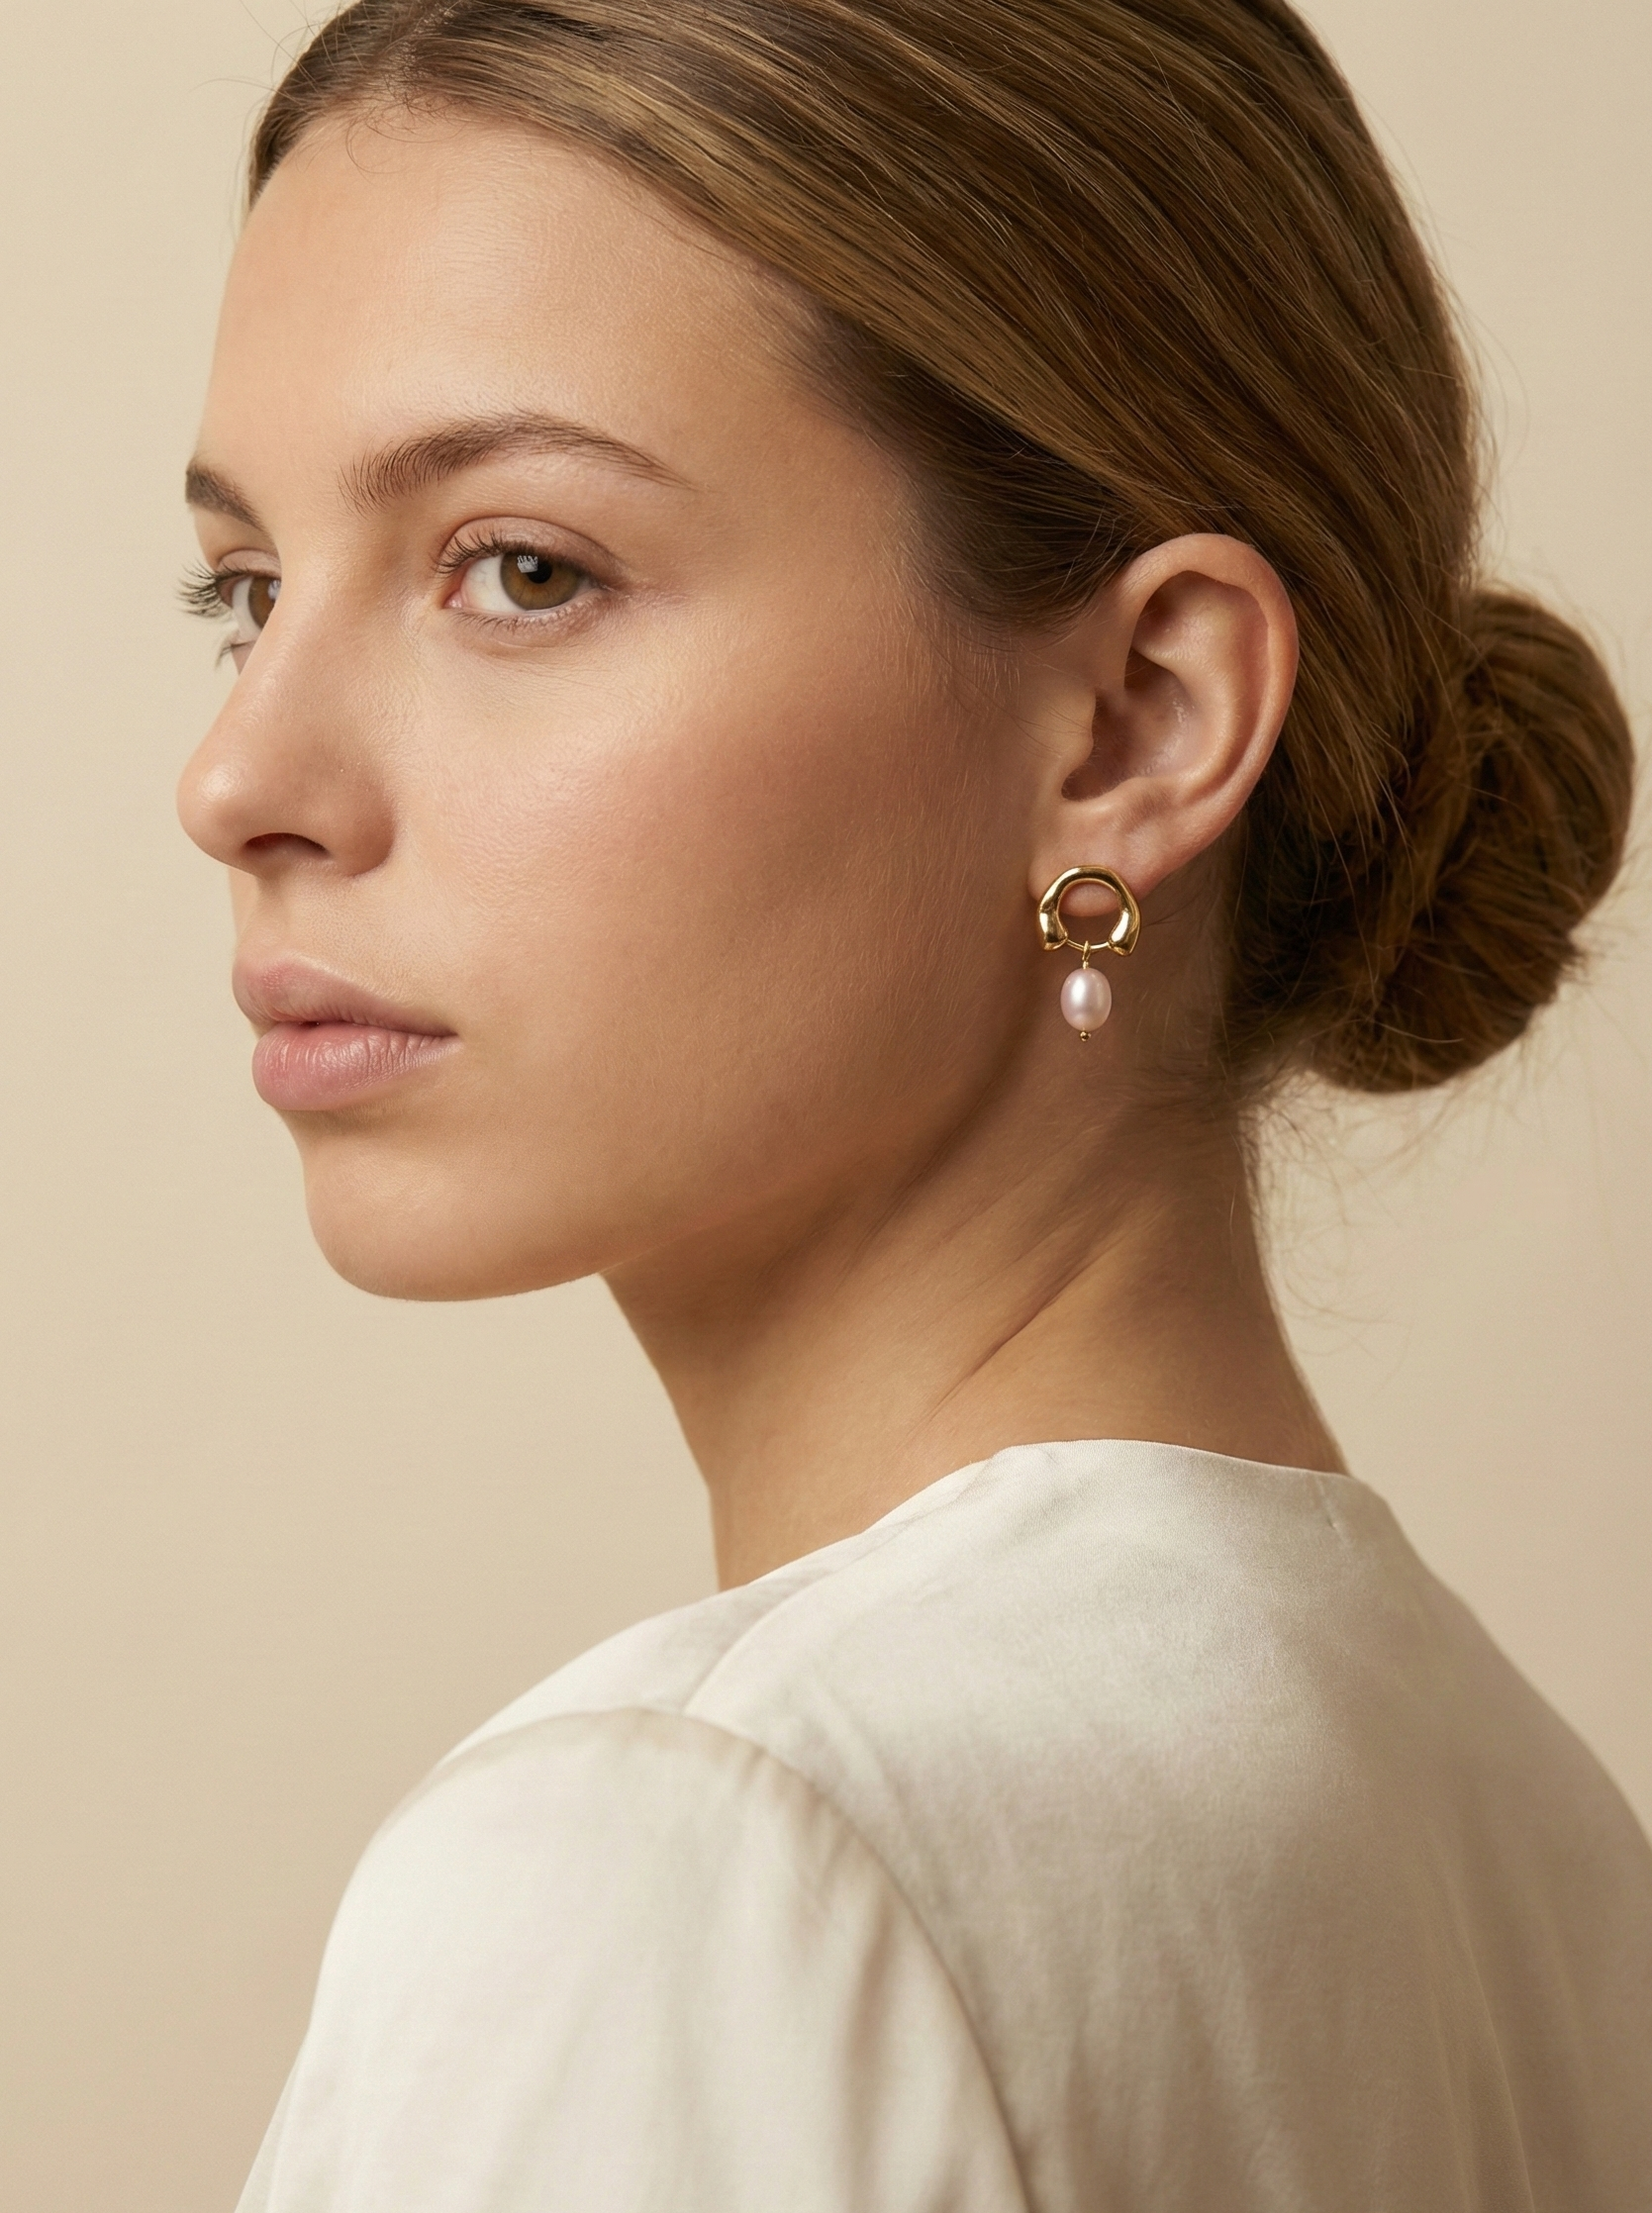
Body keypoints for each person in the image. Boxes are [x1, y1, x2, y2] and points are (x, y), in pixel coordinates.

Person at [177, 0, 1652, 2204]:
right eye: (246, 589)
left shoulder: (698, 1848)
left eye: (523, 568)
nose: (241, 782)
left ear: (1139, 721)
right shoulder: (1548, 1858)